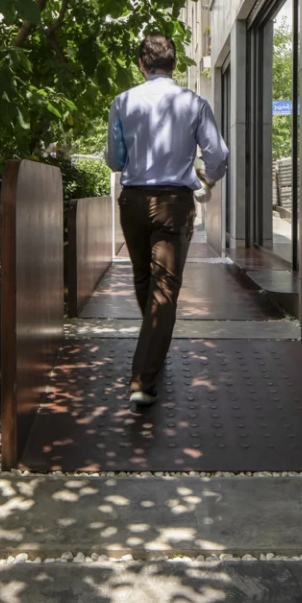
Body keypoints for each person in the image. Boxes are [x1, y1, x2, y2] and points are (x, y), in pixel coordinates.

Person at [105, 34, 229, 407]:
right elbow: (218, 155)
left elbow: (114, 159)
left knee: (145, 279)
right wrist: (206, 179)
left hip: (132, 202)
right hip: (174, 203)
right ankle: (144, 377)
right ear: (174, 65)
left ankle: (149, 362)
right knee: (164, 289)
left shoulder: (122, 102)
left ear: (142, 65)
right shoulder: (194, 103)